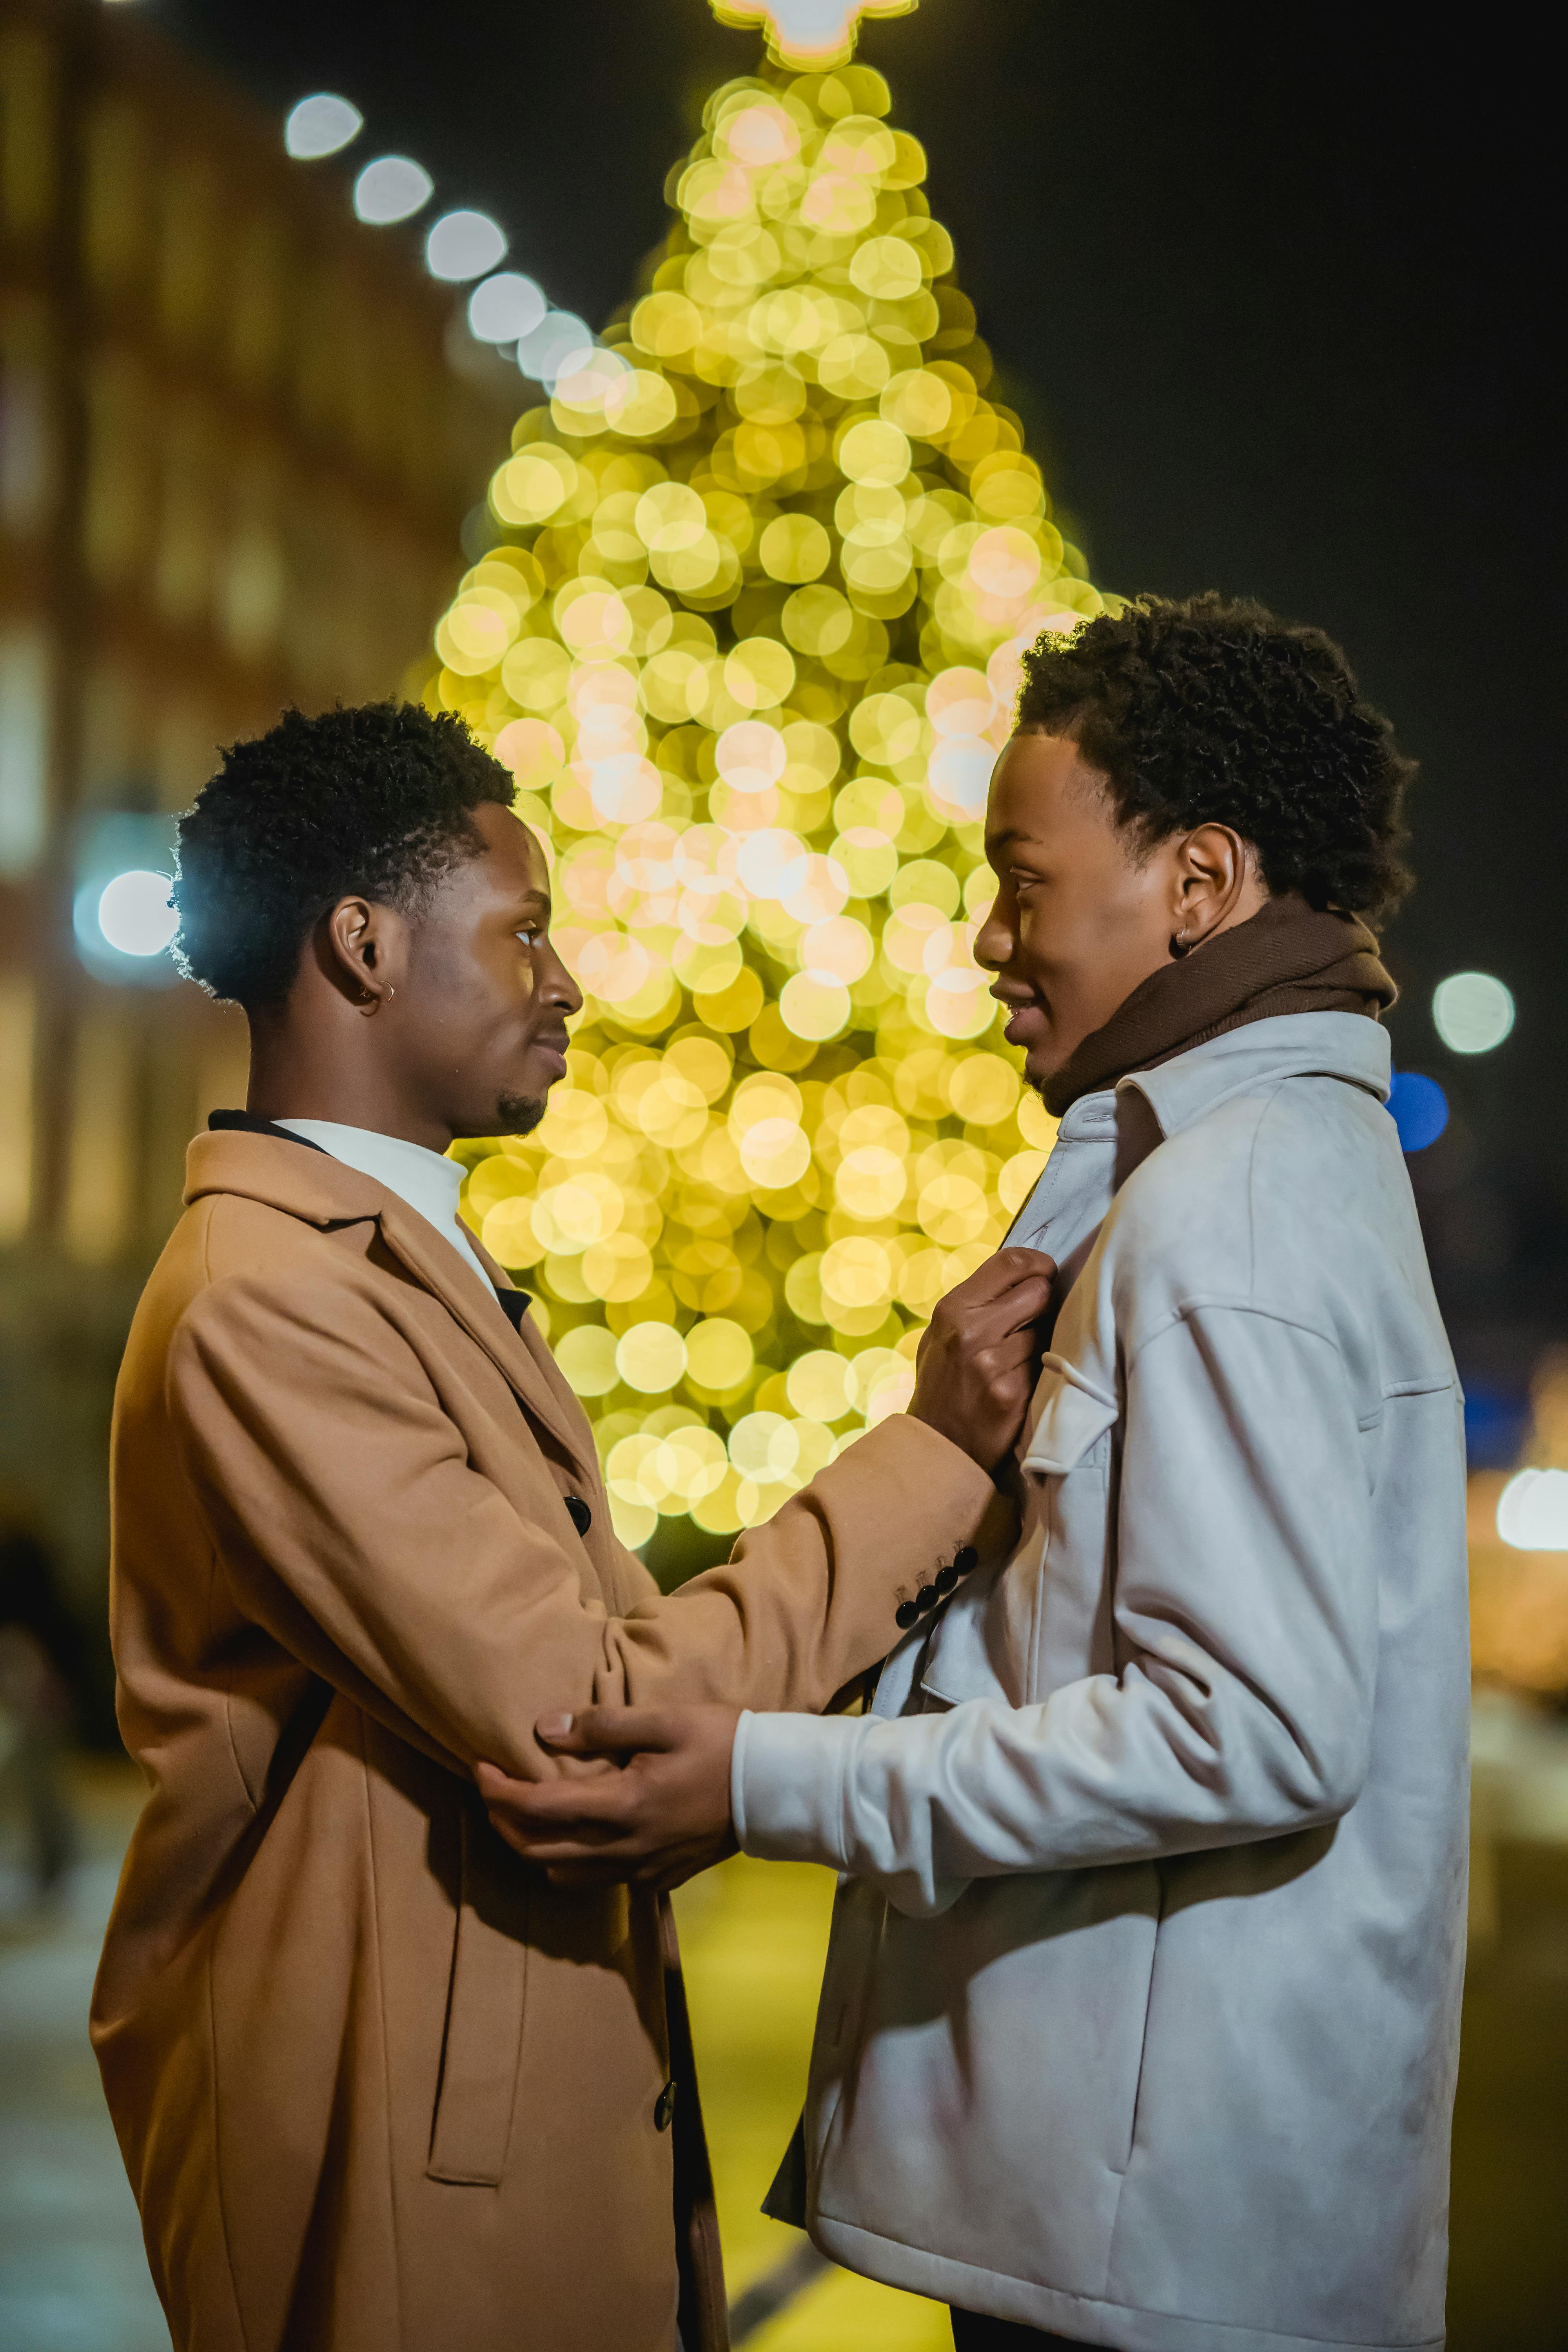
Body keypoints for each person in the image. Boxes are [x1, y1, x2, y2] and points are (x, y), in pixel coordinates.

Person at [480, 595, 1470, 2352]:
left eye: (1020, 880)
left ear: (1198, 882)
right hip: (1148, 2224)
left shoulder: (1225, 1201)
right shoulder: (1215, 1169)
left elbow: (1250, 1727)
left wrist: (769, 1780)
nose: (987, 941)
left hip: (1149, 2251)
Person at [89, 701, 1054, 2352]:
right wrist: (935, 1453)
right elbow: (583, 1711)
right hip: (390, 2146)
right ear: (364, 945)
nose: (567, 982)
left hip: (481, 2110)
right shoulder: (271, 1301)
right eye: (524, 928)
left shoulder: (390, 1260)